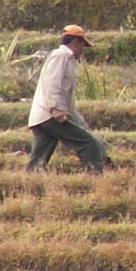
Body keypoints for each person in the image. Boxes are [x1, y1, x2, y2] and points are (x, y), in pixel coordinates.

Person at [26, 24, 108, 172]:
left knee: (39, 159)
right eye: (83, 45)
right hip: (50, 114)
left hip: (42, 116)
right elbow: (52, 83)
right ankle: (95, 178)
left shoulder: (66, 59)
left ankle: (28, 184)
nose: (83, 50)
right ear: (76, 42)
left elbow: (67, 99)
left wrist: (80, 122)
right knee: (89, 144)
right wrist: (56, 108)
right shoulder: (61, 55)